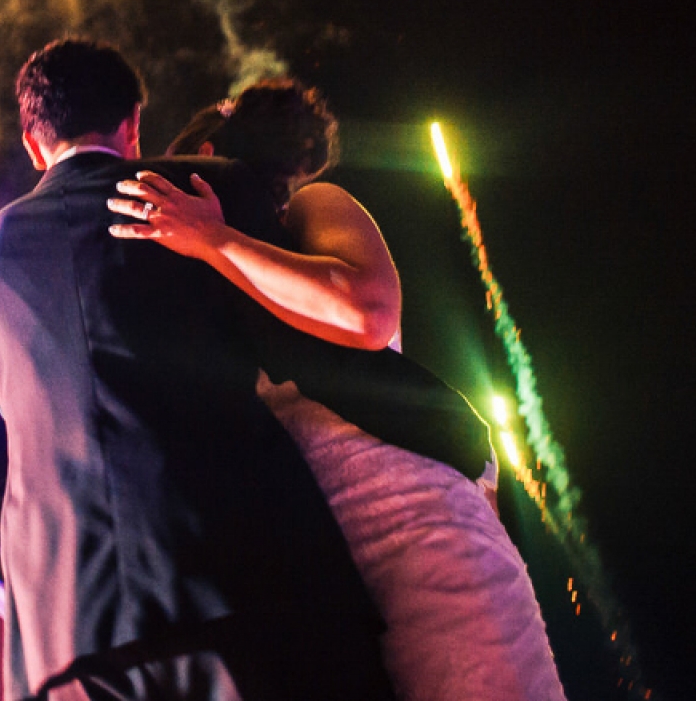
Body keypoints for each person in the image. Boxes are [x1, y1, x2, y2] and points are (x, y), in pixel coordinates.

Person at [0, 41, 391, 701]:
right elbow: (310, 346)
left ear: (33, 143)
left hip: (64, 643)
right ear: (132, 123)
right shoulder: (206, 191)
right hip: (246, 588)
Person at [108, 81, 567, 701]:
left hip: (410, 521)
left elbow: (365, 312)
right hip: (302, 564)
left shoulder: (310, 208)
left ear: (207, 158)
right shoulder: (202, 294)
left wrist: (215, 240)